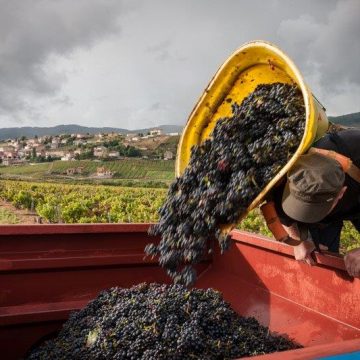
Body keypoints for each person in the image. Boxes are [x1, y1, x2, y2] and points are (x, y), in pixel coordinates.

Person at [272, 128, 360, 277]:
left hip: (356, 200)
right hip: (333, 210)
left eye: (315, 211)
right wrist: (299, 241)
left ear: (341, 193)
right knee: (320, 253)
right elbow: (281, 213)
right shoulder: (285, 175)